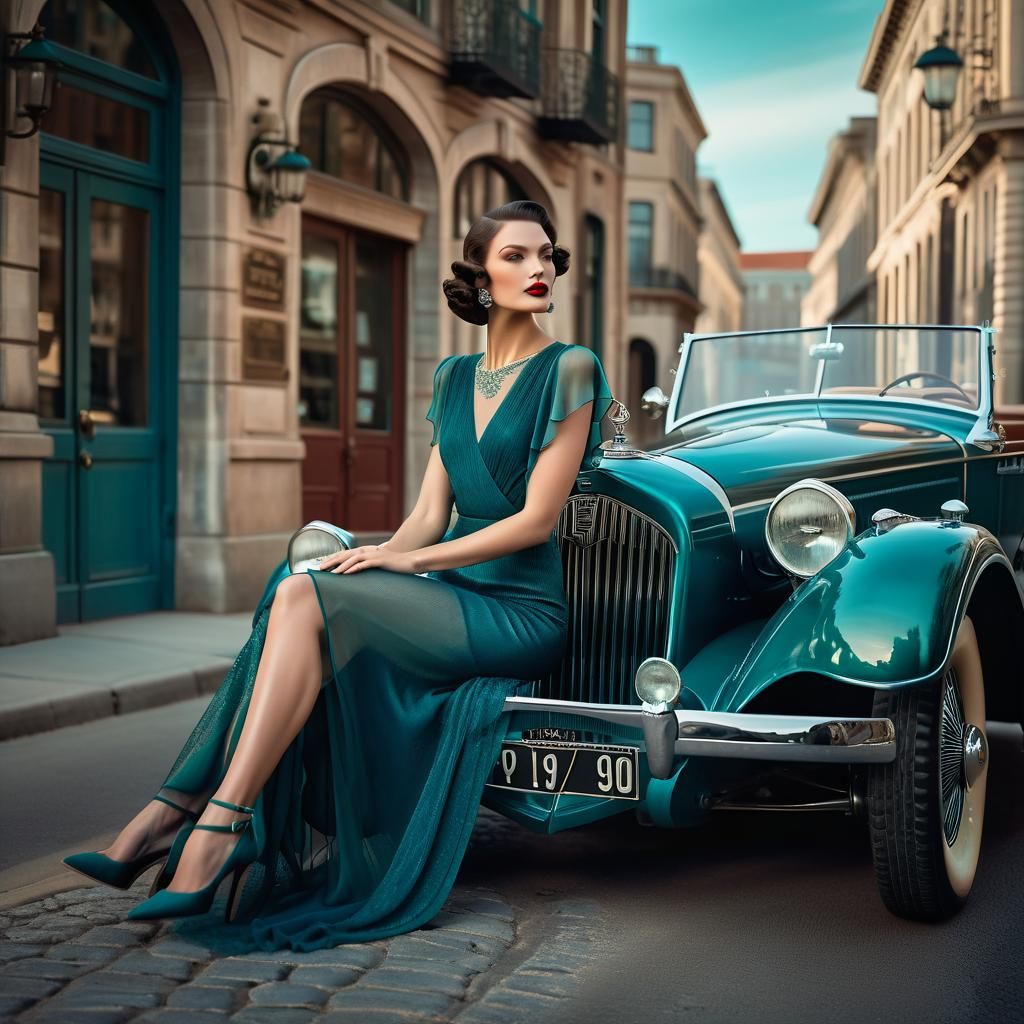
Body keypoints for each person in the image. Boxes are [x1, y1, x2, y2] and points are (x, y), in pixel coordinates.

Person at [62, 199, 614, 951]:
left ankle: (189, 817)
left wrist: (405, 562)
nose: (538, 268)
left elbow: (534, 523)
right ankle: (205, 819)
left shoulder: (571, 367)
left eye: (545, 254)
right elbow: (429, 513)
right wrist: (379, 552)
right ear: (480, 276)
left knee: (307, 596)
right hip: (451, 596)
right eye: (515, 255)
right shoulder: (454, 377)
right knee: (300, 584)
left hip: (519, 610)